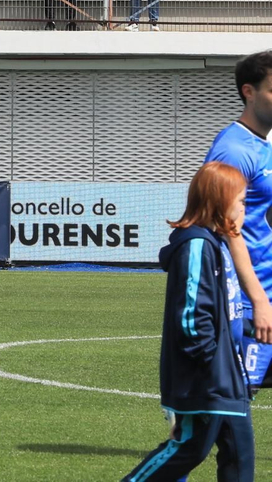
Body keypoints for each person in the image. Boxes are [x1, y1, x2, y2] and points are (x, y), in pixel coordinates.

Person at [120, 162, 253, 482]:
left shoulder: (219, 244)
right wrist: (211, 366)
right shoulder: (196, 245)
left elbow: (227, 312)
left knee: (240, 455)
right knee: (187, 449)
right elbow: (192, 319)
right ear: (220, 202)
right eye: (241, 201)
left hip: (229, 379)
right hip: (205, 380)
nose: (244, 208)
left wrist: (250, 329)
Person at [202, 50, 272, 395]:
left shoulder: (264, 144)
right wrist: (259, 301)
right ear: (249, 91)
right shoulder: (233, 150)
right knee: (232, 402)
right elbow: (227, 230)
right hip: (249, 300)